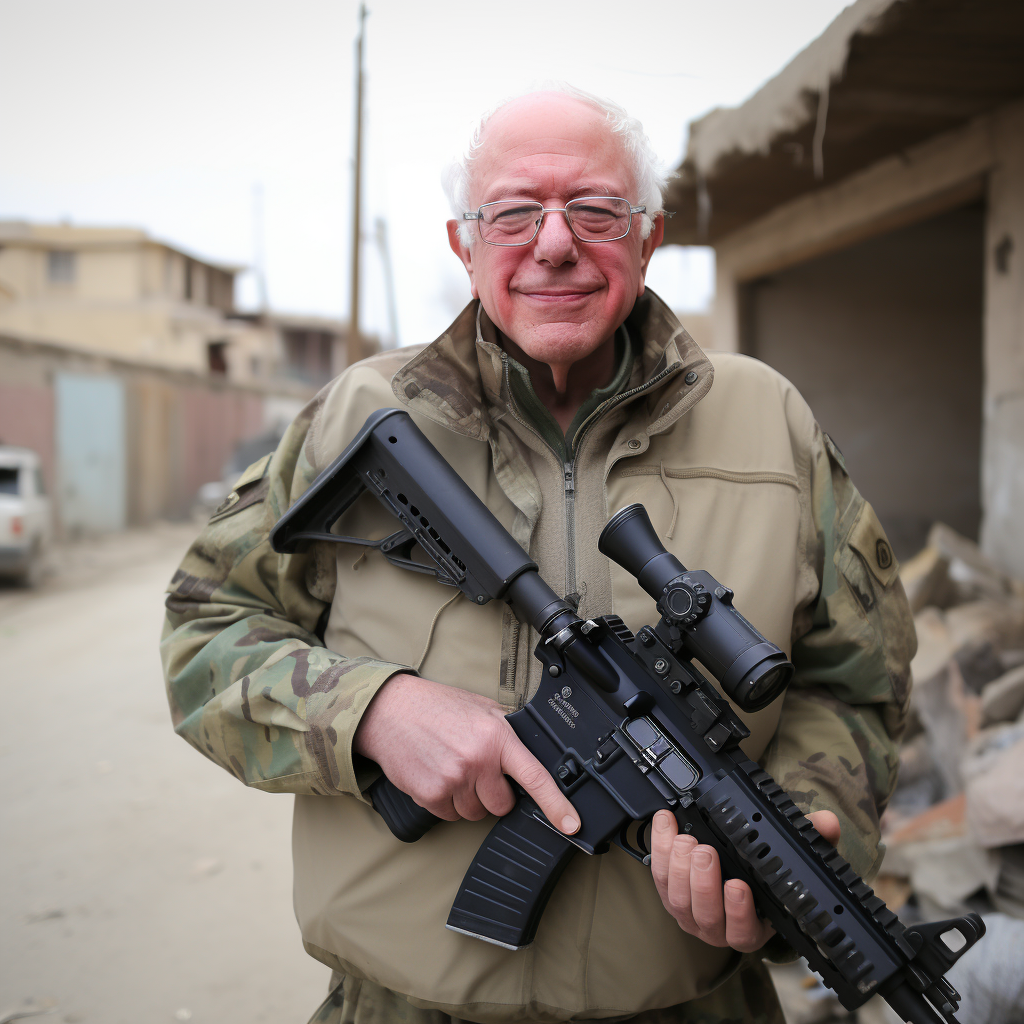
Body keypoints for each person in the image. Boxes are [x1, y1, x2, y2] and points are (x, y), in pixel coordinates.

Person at [161, 86, 915, 1024]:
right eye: (514, 213)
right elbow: (204, 635)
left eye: (595, 210)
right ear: (461, 244)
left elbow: (858, 687)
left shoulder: (771, 424)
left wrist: (790, 827)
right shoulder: (360, 417)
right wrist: (370, 712)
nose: (554, 243)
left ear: (647, 238)